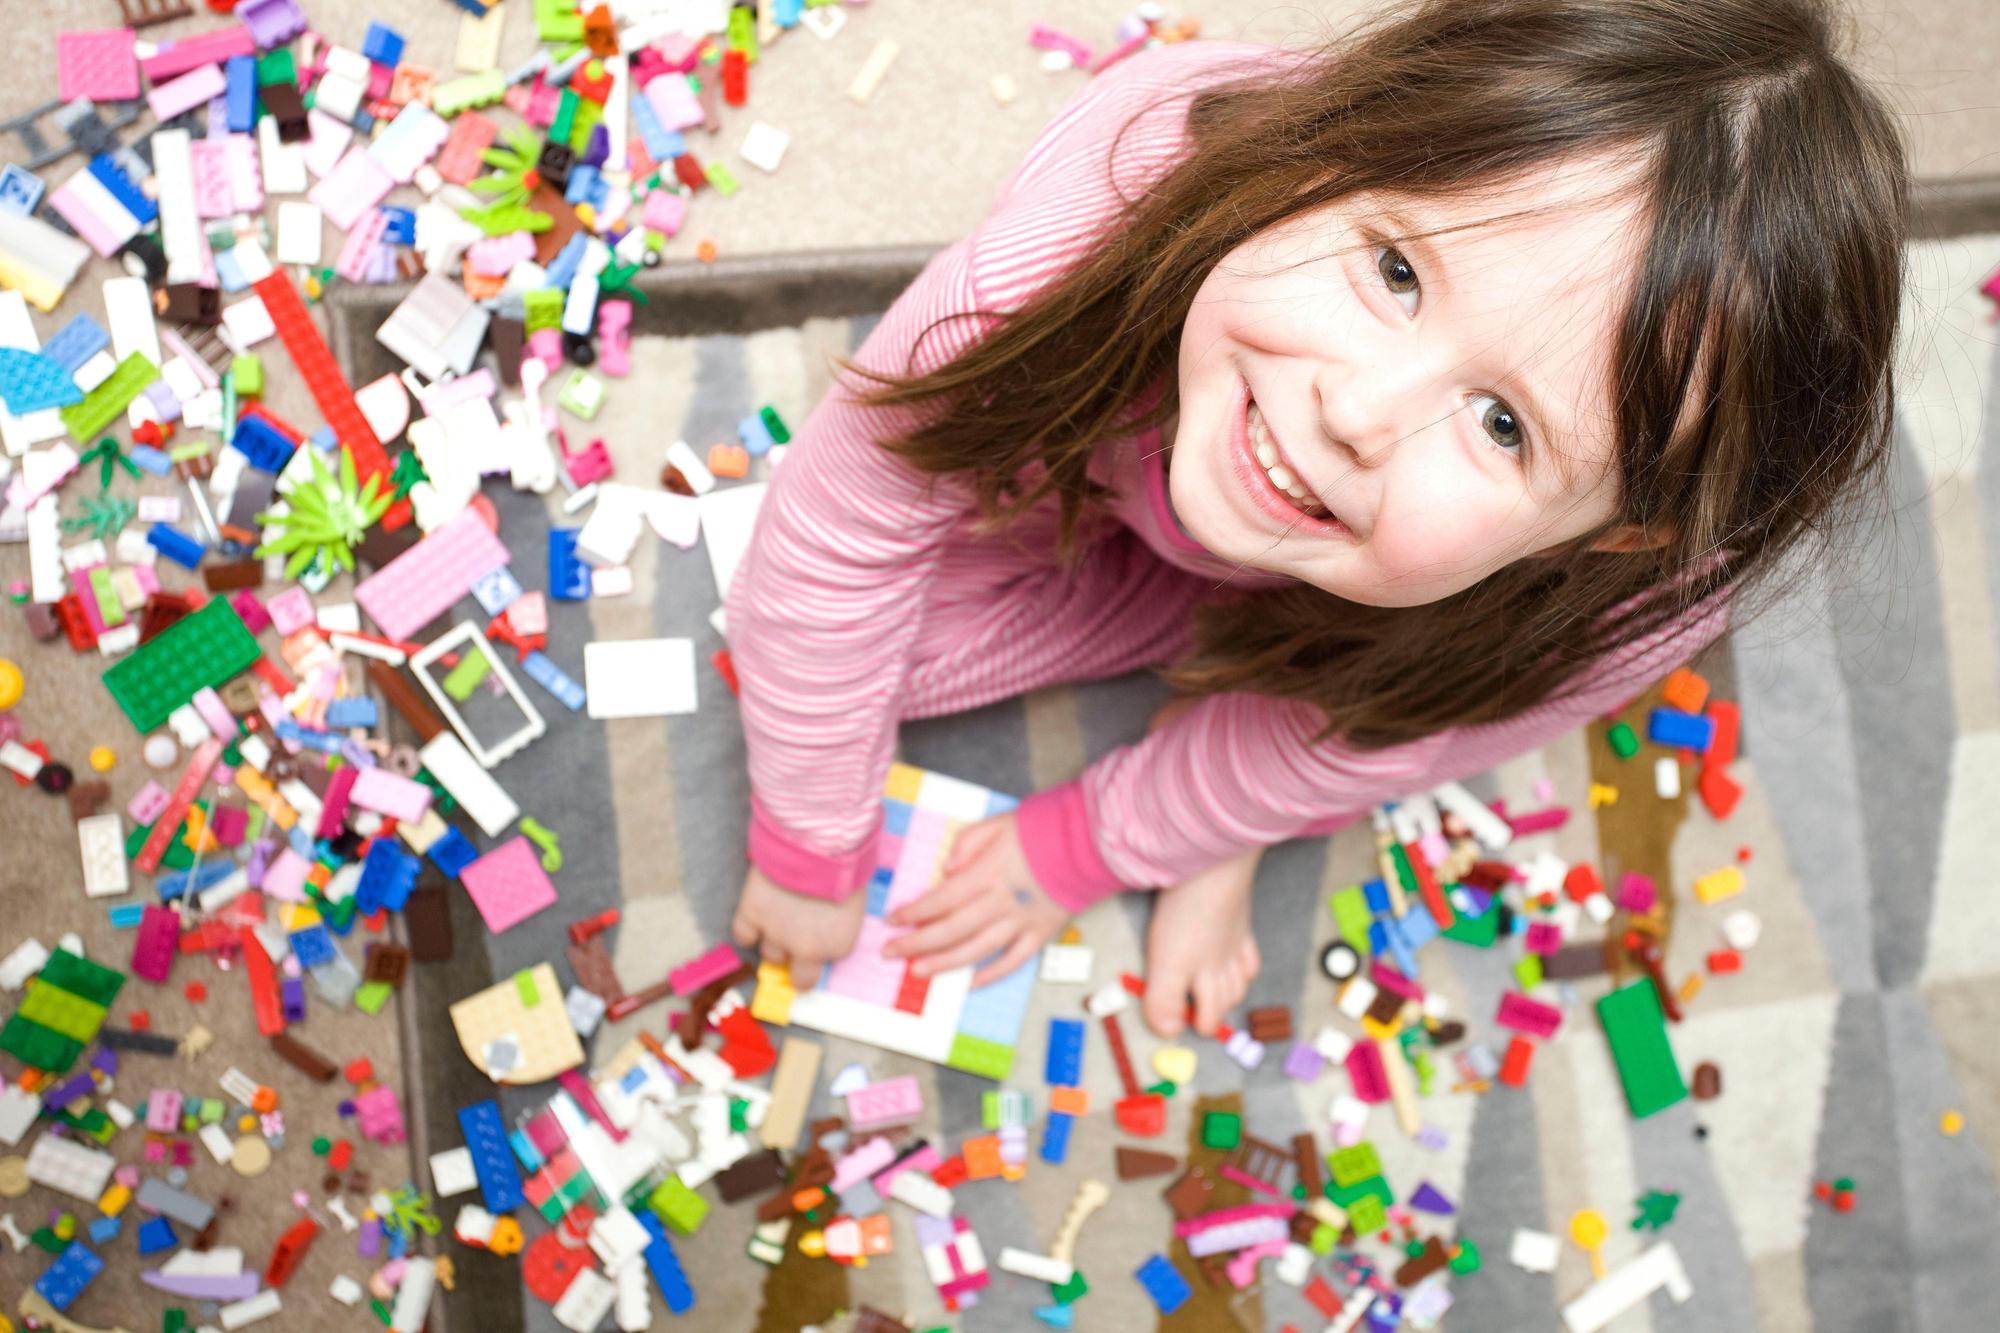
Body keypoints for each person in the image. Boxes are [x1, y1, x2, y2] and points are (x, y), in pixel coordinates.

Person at [725, 0, 1908, 1039]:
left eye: (1502, 425)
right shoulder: (1099, 207)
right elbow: (847, 510)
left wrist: (1087, 840)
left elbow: (1362, 731)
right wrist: (811, 843)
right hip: (1107, 441)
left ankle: (1248, 738)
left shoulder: (1625, 604)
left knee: (1341, 728)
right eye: (1394, 271)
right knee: (839, 649)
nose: (1354, 410)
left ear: (1612, 537)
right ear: (1325, 152)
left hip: (1383, 604)